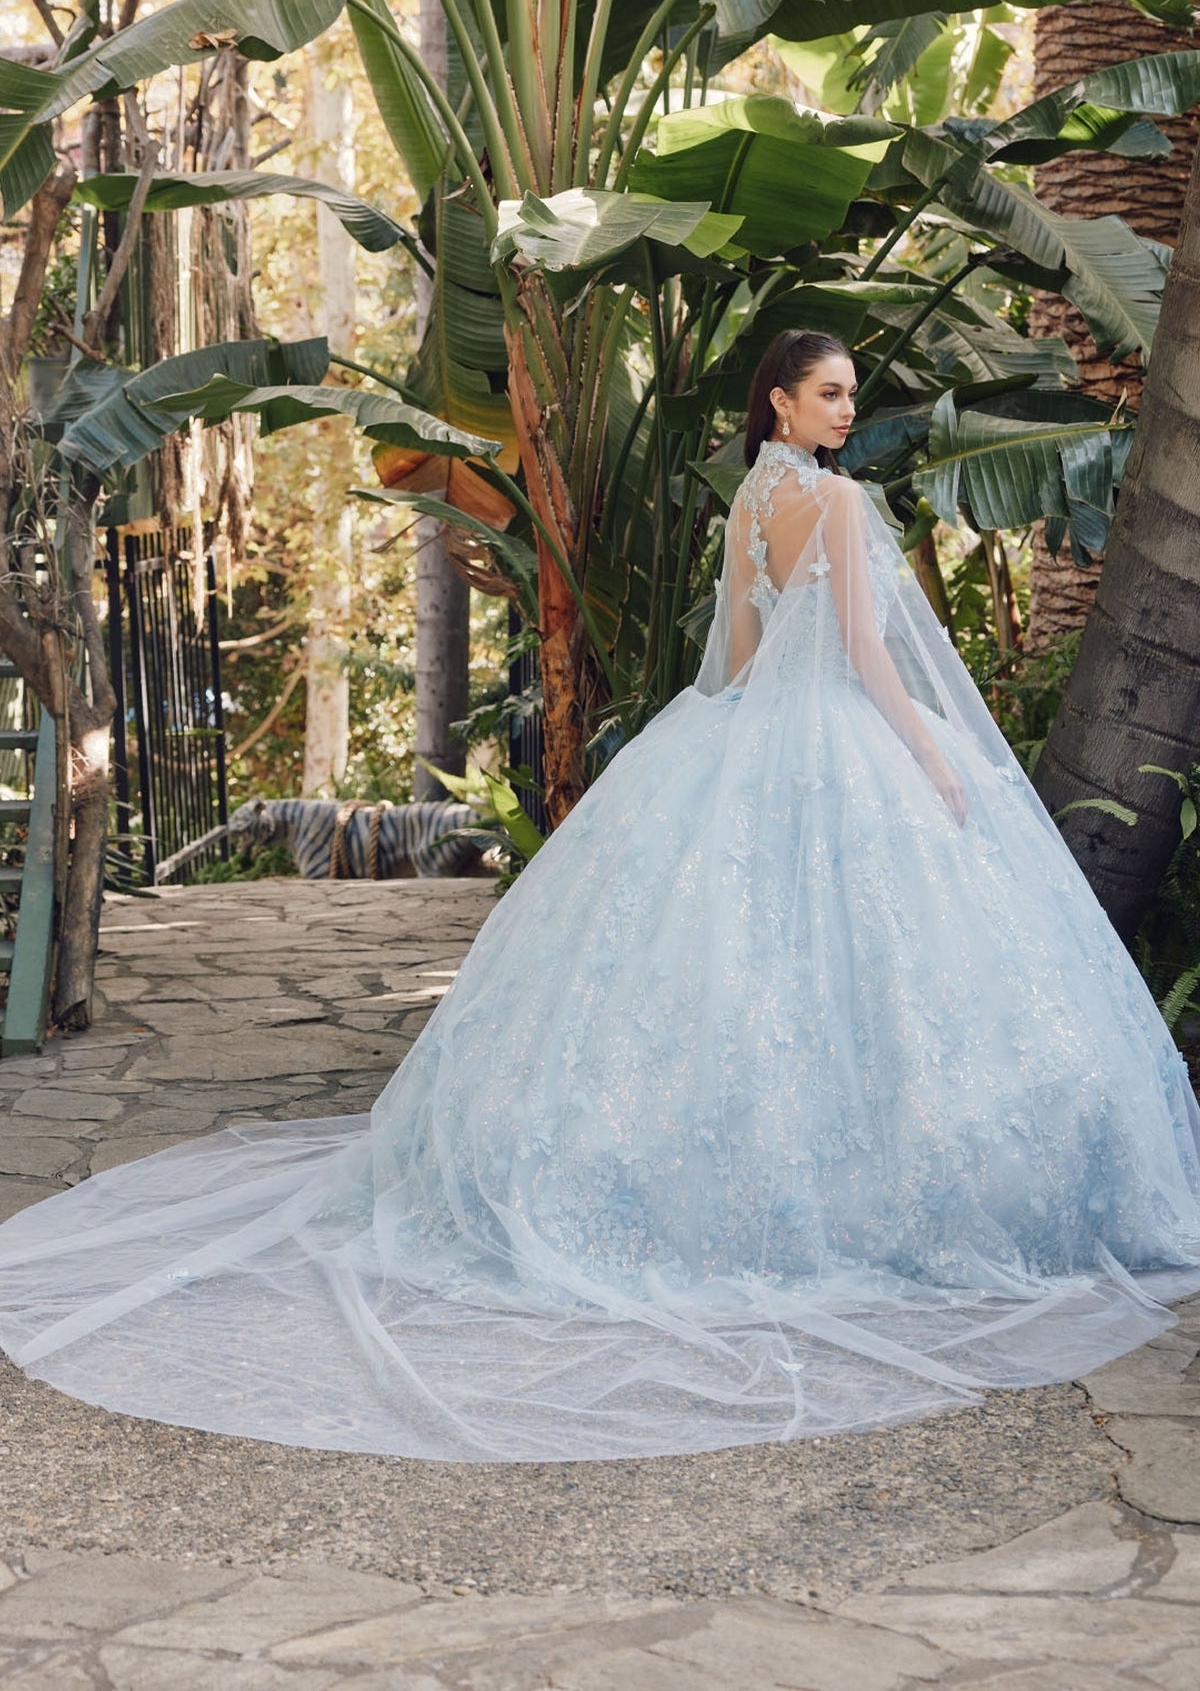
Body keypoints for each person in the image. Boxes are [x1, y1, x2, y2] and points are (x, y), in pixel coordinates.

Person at [0, 329, 1197, 1463]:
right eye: (830, 392)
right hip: (839, 732)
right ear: (781, 401)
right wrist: (935, 757)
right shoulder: (834, 500)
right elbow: (873, 658)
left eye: (848, 393)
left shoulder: (751, 503)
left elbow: (727, 654)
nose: (846, 409)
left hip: (743, 733)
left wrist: (720, 738)